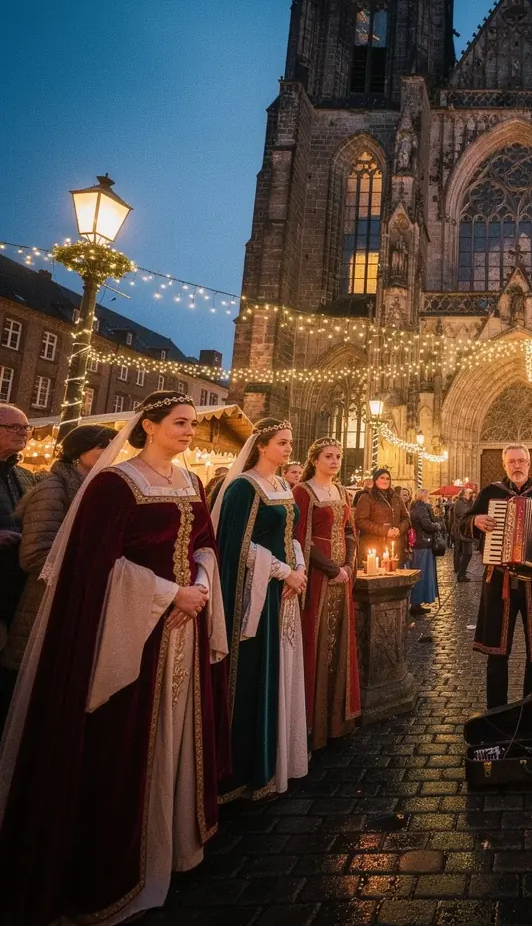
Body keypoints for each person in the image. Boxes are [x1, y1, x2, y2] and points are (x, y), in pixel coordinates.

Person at [0, 391, 230, 925]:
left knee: (176, 732)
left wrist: (197, 583)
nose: (190, 431)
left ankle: (171, 845)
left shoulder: (190, 482)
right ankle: (124, 863)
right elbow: (94, 566)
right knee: (125, 738)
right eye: (180, 423)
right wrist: (168, 594)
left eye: (193, 423)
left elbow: (204, 544)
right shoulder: (112, 484)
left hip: (183, 627)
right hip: (134, 630)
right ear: (147, 425)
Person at [214, 417, 308, 802]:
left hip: (286, 590)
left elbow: (290, 536)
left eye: (289, 443)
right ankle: (252, 769)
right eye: (282, 443)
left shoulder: (282, 484)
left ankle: (282, 758)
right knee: (261, 672)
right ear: (261, 446)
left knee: (283, 670)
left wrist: (299, 568)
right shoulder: (242, 486)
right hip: (261, 595)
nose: (288, 449)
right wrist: (285, 572)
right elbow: (236, 544)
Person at [0, 425, 116, 723]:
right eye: (103, 448)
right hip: (47, 604)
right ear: (80, 453)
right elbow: (36, 555)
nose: (111, 455)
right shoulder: (54, 489)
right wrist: (88, 572)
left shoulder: (93, 488)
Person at [462, 444, 532, 708]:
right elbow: (461, 524)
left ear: (529, 463)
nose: (517, 465)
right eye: (512, 461)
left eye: (521, 461)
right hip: (499, 581)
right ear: (504, 464)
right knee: (497, 652)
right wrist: (475, 521)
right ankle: (496, 711)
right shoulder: (490, 493)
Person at [292, 437, 359, 751]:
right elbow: (299, 538)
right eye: (328, 456)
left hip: (341, 577)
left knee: (340, 643)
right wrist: (332, 568)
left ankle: (336, 719)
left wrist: (348, 564)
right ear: (315, 459)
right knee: (315, 642)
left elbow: (349, 532)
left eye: (338, 456)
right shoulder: (302, 492)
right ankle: (312, 724)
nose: (334, 461)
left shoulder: (342, 492)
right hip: (318, 580)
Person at [0, 403, 34, 646]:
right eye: (13, 427)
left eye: (26, 427)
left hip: (13, 583)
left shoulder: (24, 475)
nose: (22, 432)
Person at [354, 469, 411, 569]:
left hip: (393, 546)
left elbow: (406, 518)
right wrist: (384, 531)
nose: (385, 481)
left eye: (387, 478)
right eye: (382, 478)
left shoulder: (396, 498)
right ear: (375, 480)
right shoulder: (367, 497)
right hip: (373, 546)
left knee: (393, 578)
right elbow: (360, 521)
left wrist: (399, 529)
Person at [408, 487, 443, 613]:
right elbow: (427, 525)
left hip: (420, 544)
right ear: (423, 496)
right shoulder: (421, 509)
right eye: (427, 496)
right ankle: (416, 602)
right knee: (422, 574)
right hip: (423, 544)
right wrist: (438, 525)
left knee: (421, 573)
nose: (429, 498)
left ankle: (417, 603)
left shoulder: (414, 508)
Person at [451, 487, 476, 582]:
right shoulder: (459, 503)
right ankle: (461, 574)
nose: (471, 494)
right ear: (464, 493)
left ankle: (462, 573)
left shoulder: (466, 503)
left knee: (467, 553)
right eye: (469, 493)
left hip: (466, 532)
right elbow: (466, 513)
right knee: (467, 553)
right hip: (463, 532)